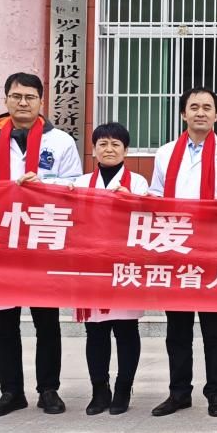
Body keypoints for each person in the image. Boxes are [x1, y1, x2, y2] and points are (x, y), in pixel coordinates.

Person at [0, 72, 82, 418]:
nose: (23, 103)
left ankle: (49, 389)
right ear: (6, 100)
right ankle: (11, 391)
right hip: (1, 242)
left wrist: (43, 184)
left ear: (42, 101)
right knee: (4, 324)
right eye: (16, 96)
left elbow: (75, 187)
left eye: (30, 97)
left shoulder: (60, 142)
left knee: (47, 321)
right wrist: (8, 188)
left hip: (44, 239)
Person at [149, 87, 217, 418]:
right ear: (183, 114)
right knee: (177, 330)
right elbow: (155, 194)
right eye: (194, 107)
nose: (201, 112)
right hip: (175, 250)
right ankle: (179, 393)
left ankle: (216, 393)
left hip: (213, 252)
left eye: (207, 107)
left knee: (214, 331)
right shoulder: (165, 153)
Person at [58, 123, 150, 416]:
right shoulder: (81, 182)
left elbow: (148, 219)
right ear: (94, 149)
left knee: (126, 329)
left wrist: (131, 201)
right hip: (91, 266)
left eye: (115, 144)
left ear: (126, 150)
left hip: (124, 266)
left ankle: (123, 388)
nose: (109, 149)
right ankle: (99, 389)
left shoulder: (138, 183)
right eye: (103, 144)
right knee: (95, 331)